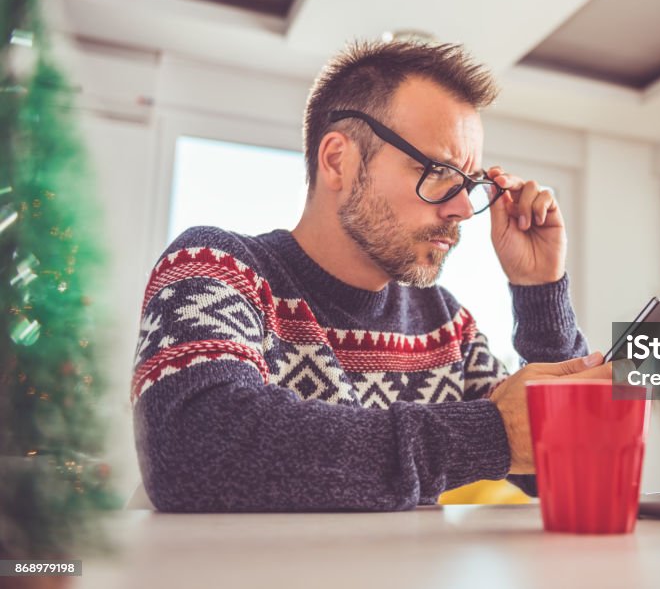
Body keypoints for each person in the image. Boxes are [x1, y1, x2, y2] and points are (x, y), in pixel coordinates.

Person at [131, 41, 610, 512]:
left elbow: (568, 472)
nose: (463, 209)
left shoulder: (444, 324)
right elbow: (194, 449)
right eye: (438, 172)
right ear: (338, 160)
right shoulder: (216, 267)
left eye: (469, 184)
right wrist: (489, 433)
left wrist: (540, 292)